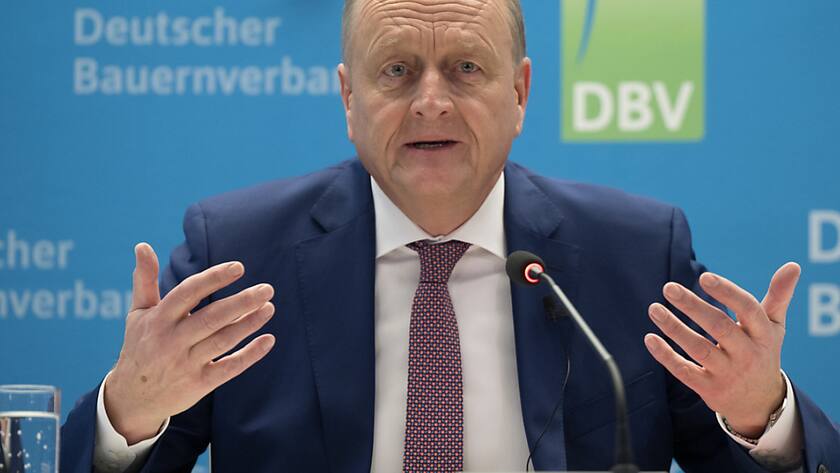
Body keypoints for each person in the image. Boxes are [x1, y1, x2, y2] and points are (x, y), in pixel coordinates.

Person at [61, 0, 839, 472]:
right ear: (348, 99)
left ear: (520, 91)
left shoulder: (633, 256)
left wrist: (759, 417)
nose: (431, 101)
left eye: (466, 68)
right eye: (397, 71)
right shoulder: (239, 254)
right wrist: (130, 414)